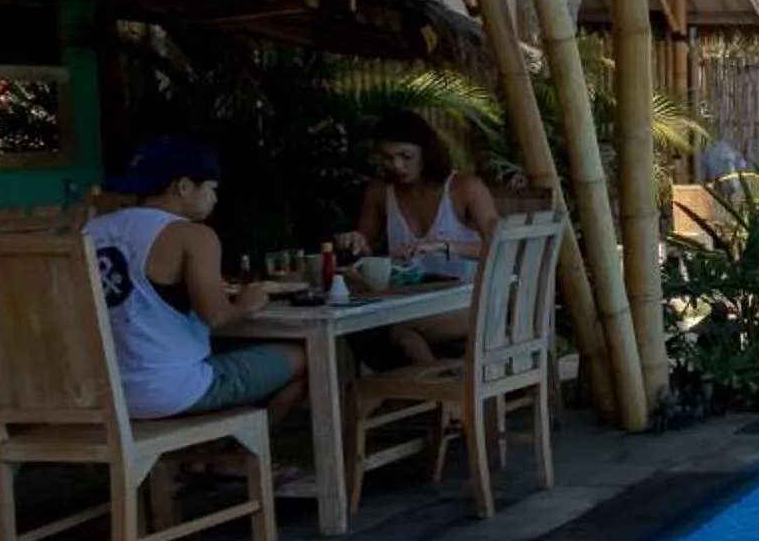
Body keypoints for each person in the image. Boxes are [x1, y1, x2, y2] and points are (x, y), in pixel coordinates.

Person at [85, 137, 307, 432]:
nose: (215, 199)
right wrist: (248, 301)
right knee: (304, 359)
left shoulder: (91, 231)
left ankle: (208, 458)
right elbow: (215, 317)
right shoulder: (193, 236)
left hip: (107, 393)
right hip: (173, 390)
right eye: (212, 189)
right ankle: (234, 456)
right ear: (184, 186)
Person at [336, 110, 499, 366]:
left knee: (394, 331)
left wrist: (444, 246)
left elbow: (499, 246)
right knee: (377, 331)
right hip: (409, 301)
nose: (397, 166)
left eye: (406, 156)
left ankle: (437, 392)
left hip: (469, 301)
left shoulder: (463, 188)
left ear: (426, 152)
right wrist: (355, 241)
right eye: (388, 158)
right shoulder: (381, 192)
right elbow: (365, 253)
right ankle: (437, 391)